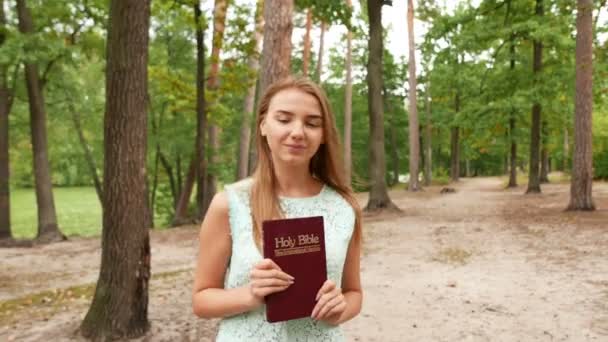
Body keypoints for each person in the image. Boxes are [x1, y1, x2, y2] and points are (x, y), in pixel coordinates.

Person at [192, 76, 363, 341]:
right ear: (263, 125)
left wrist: (339, 309)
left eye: (312, 123)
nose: (297, 132)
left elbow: (354, 293)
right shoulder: (230, 203)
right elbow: (202, 300)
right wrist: (250, 295)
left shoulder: (343, 207)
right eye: (284, 119)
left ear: (324, 135)